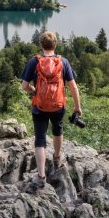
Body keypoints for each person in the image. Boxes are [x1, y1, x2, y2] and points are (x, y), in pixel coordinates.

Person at [21, 30, 82, 183]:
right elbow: (73, 87)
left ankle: (41, 177)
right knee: (58, 130)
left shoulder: (34, 61)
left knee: (40, 140)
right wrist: (77, 107)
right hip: (58, 105)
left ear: (41, 45)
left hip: (39, 106)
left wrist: (34, 91)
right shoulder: (63, 62)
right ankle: (56, 158)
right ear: (55, 44)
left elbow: (24, 86)